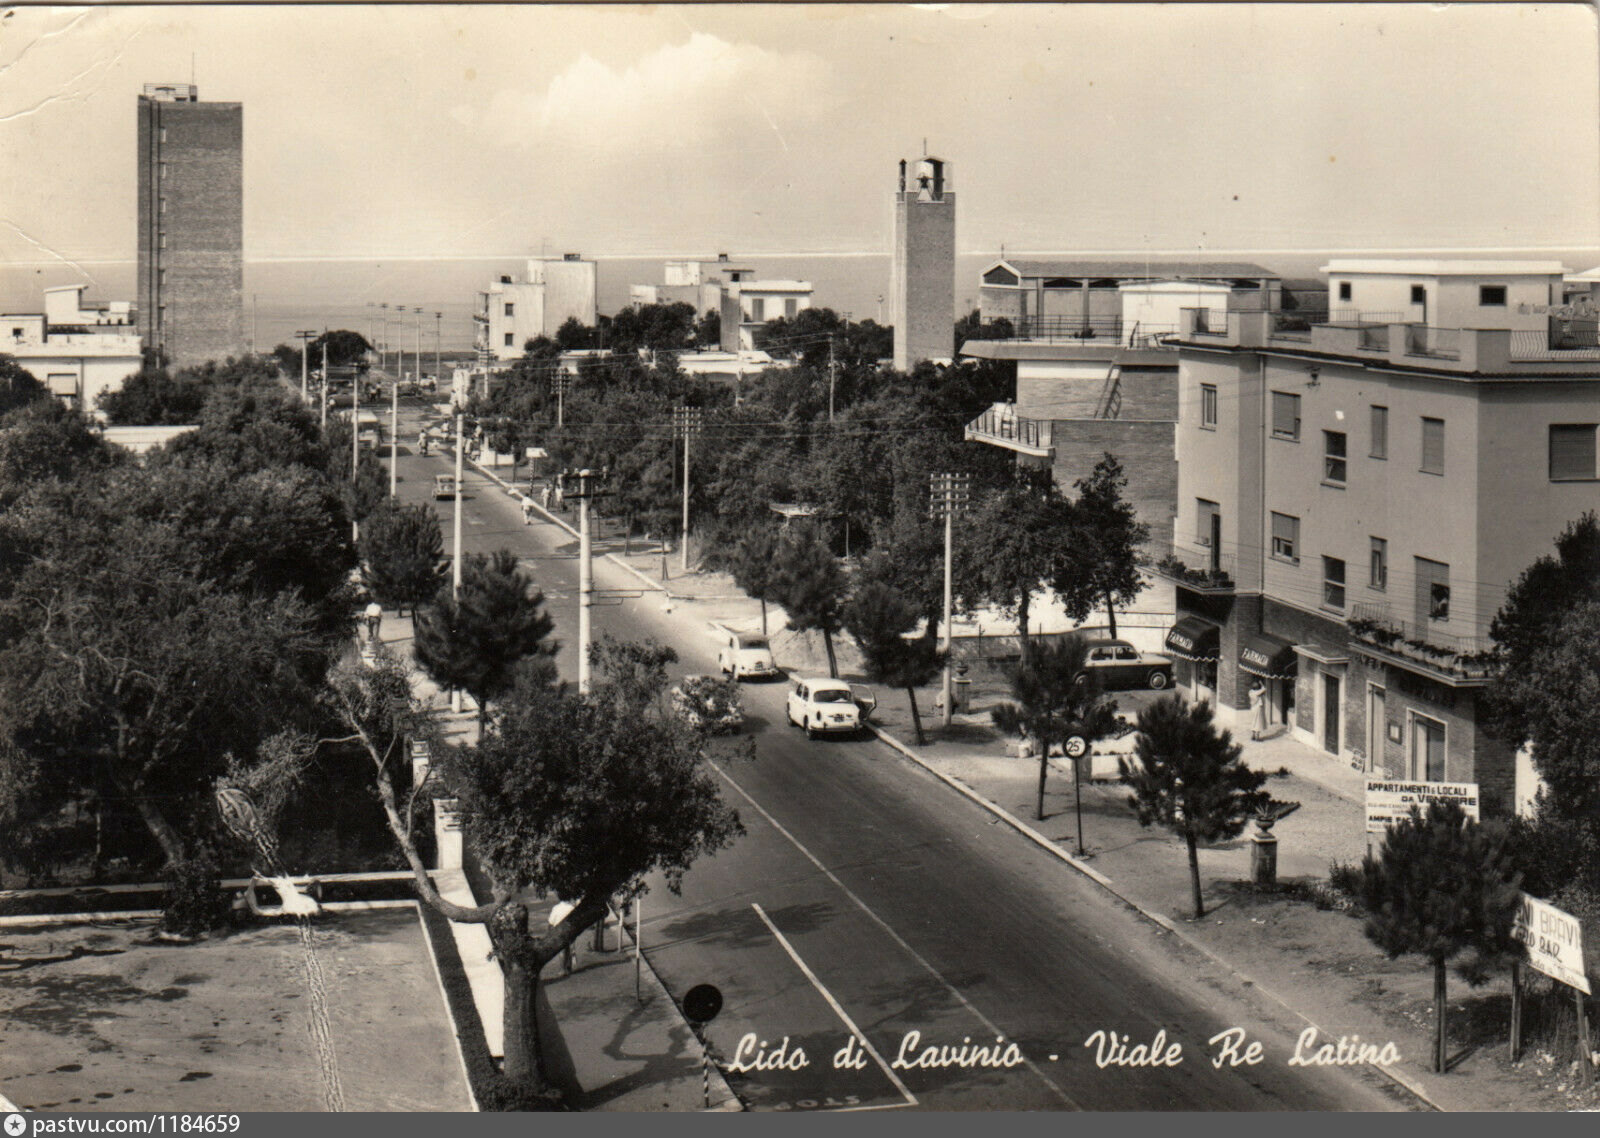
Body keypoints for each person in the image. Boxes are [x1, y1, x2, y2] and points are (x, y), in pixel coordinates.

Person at [548, 898, 576, 976]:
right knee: (570, 949)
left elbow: (551, 922)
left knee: (562, 951)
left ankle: (562, 969)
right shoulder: (572, 908)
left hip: (559, 932)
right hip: (570, 931)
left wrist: (550, 932)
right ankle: (569, 968)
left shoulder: (556, 908)